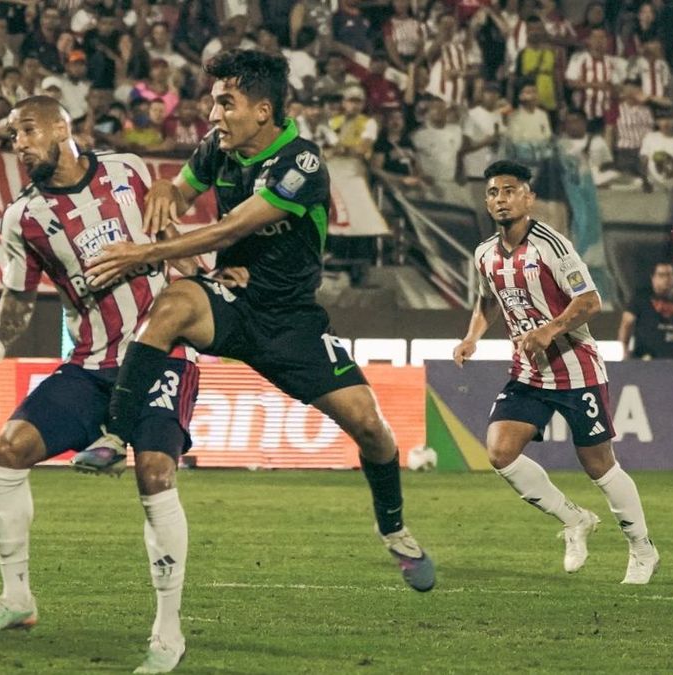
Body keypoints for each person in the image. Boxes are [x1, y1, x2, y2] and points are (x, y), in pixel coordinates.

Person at [72, 49, 436, 594]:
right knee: (171, 306)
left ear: (263, 111)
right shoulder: (218, 149)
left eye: (226, 103)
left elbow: (227, 230)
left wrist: (144, 253)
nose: (214, 115)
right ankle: (115, 432)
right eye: (213, 102)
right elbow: (179, 191)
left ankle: (395, 529)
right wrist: (166, 191)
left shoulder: (302, 163)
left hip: (292, 324)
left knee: (370, 427)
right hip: (232, 302)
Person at [0, 96, 223, 675]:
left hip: (160, 354)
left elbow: (171, 244)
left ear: (59, 128)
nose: (17, 145)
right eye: (12, 137)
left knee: (153, 470)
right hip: (91, 362)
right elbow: (19, 296)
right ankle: (16, 598)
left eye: (24, 132)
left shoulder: (129, 171)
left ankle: (167, 632)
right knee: (8, 451)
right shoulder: (22, 217)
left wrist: (214, 284)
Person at [452, 160, 659, 585]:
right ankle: (575, 520)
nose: (500, 199)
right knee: (499, 451)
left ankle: (642, 548)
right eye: (493, 192)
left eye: (509, 190)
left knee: (599, 466)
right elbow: (488, 299)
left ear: (528, 198)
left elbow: (590, 301)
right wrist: (472, 337)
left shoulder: (552, 245)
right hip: (529, 372)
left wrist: (549, 329)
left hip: (576, 367)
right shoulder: (485, 253)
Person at [618, 262, 673, 360]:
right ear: (653, 278)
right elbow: (626, 323)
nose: (666, 279)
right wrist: (624, 350)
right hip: (647, 358)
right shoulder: (641, 298)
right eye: (661, 275)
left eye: (669, 275)